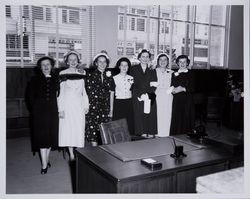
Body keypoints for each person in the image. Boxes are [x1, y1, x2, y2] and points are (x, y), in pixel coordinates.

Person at [27, 56, 59, 174]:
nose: (46, 67)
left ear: (52, 66)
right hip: (39, 113)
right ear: (40, 67)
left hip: (53, 112)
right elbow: (30, 97)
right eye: (43, 65)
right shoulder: (34, 80)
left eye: (48, 64)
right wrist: (35, 110)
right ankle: (44, 165)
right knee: (42, 138)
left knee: (50, 137)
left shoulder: (56, 79)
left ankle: (46, 158)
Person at [57, 50, 89, 160]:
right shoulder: (62, 74)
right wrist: (60, 109)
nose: (73, 62)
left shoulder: (82, 73)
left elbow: (84, 91)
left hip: (79, 105)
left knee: (79, 129)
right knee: (69, 129)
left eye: (75, 59)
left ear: (78, 61)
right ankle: (71, 154)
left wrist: (86, 105)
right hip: (67, 105)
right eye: (70, 60)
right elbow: (60, 94)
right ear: (67, 61)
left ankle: (78, 151)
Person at [85, 52, 113, 146]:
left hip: (105, 108)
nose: (102, 64)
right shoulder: (89, 76)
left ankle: (103, 154)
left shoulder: (109, 76)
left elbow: (111, 93)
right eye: (100, 62)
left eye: (104, 62)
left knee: (104, 132)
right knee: (93, 132)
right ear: (96, 63)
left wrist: (111, 109)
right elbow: (86, 93)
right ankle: (95, 153)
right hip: (93, 107)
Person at [130, 49, 158, 137]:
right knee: (139, 114)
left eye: (147, 57)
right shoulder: (133, 69)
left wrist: (148, 94)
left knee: (150, 114)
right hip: (138, 96)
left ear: (149, 58)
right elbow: (132, 84)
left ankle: (150, 132)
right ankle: (142, 132)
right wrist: (139, 95)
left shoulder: (152, 69)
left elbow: (154, 84)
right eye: (143, 56)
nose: (145, 59)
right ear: (139, 58)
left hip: (150, 95)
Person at [169, 55, 195, 135]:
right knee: (177, 118)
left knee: (187, 118)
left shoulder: (191, 73)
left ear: (187, 63)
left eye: (184, 62)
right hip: (177, 100)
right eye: (180, 62)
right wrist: (172, 90)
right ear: (177, 63)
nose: (182, 64)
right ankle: (176, 137)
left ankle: (187, 137)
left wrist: (182, 89)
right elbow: (172, 85)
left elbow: (194, 87)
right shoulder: (174, 73)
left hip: (187, 100)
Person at [110, 57, 134, 134]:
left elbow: (133, 92)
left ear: (128, 67)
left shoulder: (131, 78)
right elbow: (112, 94)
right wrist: (111, 109)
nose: (124, 67)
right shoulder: (114, 78)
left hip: (129, 103)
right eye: (122, 65)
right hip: (118, 104)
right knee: (118, 126)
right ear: (119, 66)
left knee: (129, 125)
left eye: (126, 65)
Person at [155, 53, 173, 137]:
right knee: (158, 114)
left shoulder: (172, 72)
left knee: (167, 115)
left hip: (168, 96)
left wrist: (171, 89)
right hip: (157, 95)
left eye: (165, 60)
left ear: (168, 61)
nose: (163, 61)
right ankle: (157, 132)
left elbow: (174, 84)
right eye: (161, 60)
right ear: (158, 61)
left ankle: (166, 133)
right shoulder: (153, 71)